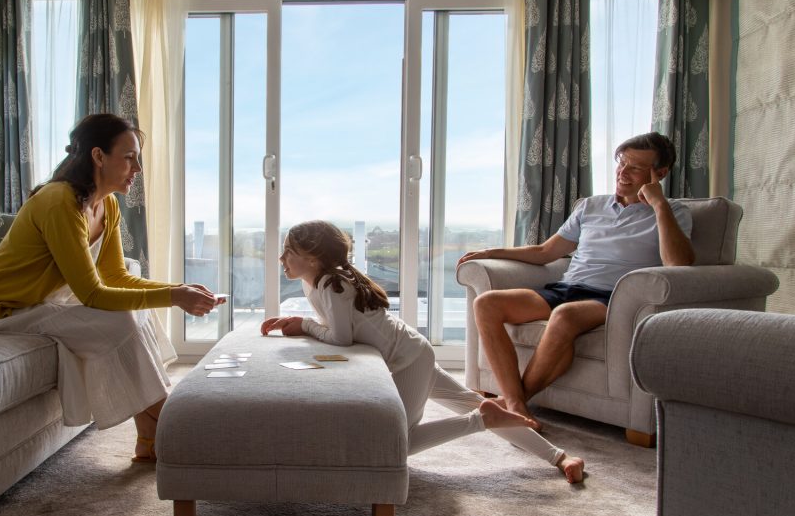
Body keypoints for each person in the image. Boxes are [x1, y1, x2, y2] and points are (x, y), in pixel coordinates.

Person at [0, 113, 223, 462]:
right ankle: (175, 424)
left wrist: (178, 288)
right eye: (129, 157)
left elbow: (116, 277)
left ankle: (150, 437)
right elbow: (92, 294)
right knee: (121, 320)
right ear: (98, 156)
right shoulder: (58, 201)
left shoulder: (107, 205)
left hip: (38, 302)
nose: (137, 168)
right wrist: (174, 297)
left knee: (133, 314)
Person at [261, 220, 585, 484]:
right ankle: (560, 457)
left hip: (409, 360)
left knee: (398, 444)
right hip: (414, 351)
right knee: (473, 404)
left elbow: (342, 339)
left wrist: (303, 325)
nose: (281, 258)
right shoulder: (319, 282)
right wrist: (303, 324)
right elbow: (337, 329)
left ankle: (481, 420)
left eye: (288, 251)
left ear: (313, 257)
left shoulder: (334, 285)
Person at [459, 131, 695, 424]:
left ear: (659, 173)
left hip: (611, 298)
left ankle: (515, 403)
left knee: (565, 316)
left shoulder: (673, 213)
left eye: (635, 167)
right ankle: (516, 405)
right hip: (565, 288)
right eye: (622, 163)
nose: (623, 172)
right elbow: (546, 251)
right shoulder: (590, 206)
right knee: (486, 304)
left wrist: (659, 205)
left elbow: (679, 263)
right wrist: (491, 252)